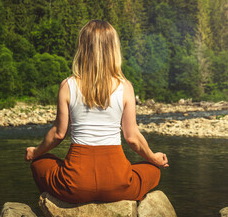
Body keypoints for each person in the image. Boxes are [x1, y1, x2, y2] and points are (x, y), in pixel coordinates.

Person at [24, 20, 168, 203]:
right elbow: (132, 137)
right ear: (113, 49)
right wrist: (153, 157)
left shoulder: (68, 85)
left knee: (40, 163)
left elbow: (59, 134)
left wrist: (35, 152)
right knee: (153, 170)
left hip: (75, 184)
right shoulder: (126, 87)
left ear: (83, 48)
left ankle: (57, 204)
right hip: (116, 184)